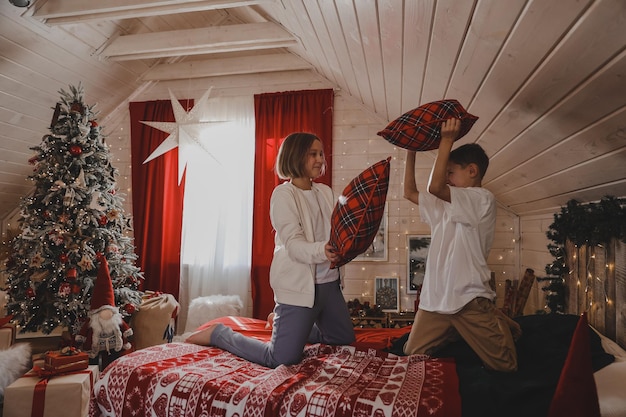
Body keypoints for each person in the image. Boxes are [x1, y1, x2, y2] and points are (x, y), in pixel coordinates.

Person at [186, 132, 355, 368]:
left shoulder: (325, 192)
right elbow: (294, 246)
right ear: (295, 156)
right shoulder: (283, 195)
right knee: (280, 358)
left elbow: (335, 233)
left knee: (343, 339)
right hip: (299, 287)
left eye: (321, 154)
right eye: (312, 154)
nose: (320, 159)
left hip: (329, 284)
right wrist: (324, 250)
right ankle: (219, 334)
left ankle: (284, 324)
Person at [402, 118, 519, 372]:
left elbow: (434, 186)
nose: (447, 179)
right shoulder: (444, 202)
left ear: (472, 171)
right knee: (411, 354)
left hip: (468, 298)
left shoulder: (482, 199)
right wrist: (409, 151)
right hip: (436, 299)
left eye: (451, 173)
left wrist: (447, 140)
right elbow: (410, 192)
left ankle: (497, 322)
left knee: (505, 365)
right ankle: (457, 330)